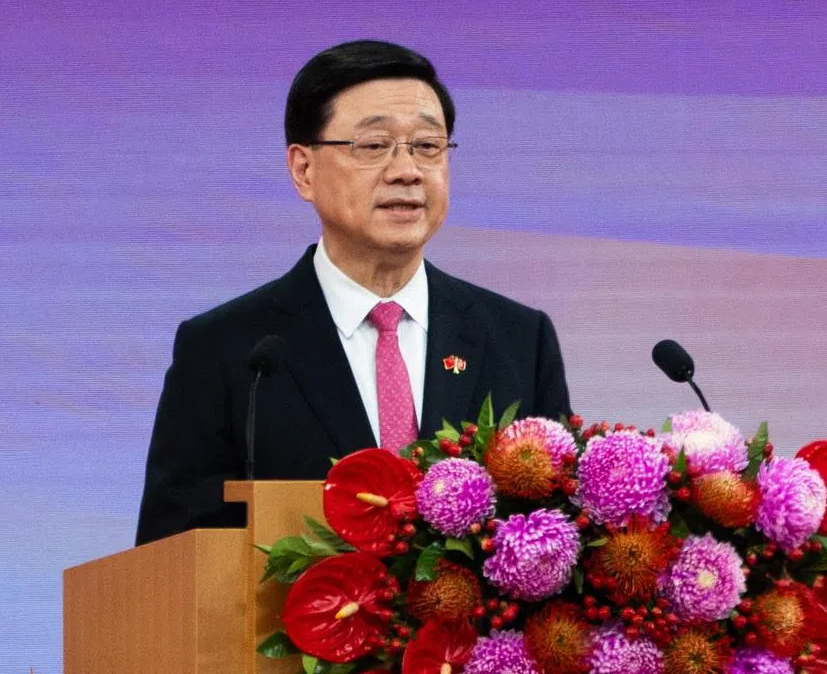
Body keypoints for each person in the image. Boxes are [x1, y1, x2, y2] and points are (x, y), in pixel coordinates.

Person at [135, 40, 571, 546]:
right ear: (303, 170)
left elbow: (555, 534)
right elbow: (172, 559)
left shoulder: (519, 340)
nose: (407, 170)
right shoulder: (228, 351)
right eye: (373, 146)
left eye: (428, 146)